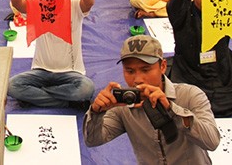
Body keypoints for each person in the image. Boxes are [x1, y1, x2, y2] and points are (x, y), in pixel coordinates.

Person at [83, 35, 220, 163]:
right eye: (130, 71)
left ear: (163, 66)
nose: (137, 79)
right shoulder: (122, 106)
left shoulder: (190, 95)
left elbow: (212, 141)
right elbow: (92, 140)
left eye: (145, 70)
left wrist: (171, 109)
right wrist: (96, 112)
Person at [7, 0, 95, 109]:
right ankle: (66, 102)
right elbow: (17, 3)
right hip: (41, 71)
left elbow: (89, 3)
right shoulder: (38, 5)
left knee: (86, 88)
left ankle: (38, 97)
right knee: (11, 85)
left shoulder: (73, 4)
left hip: (71, 73)